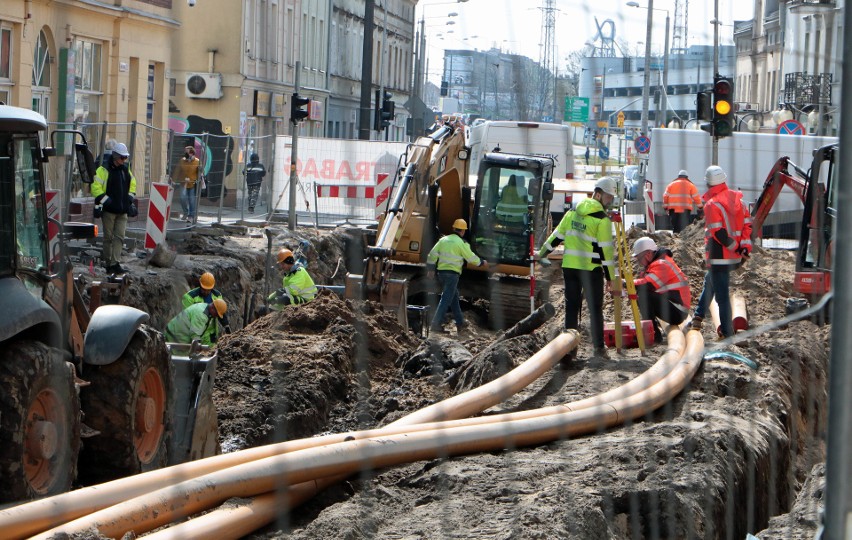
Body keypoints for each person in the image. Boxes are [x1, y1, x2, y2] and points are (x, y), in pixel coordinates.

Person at [538, 176, 617, 359]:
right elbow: (605, 254)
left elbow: (555, 237)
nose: (609, 201)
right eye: (608, 197)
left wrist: (541, 254)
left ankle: (568, 350)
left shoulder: (572, 213)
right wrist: (610, 278)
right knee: (595, 308)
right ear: (598, 194)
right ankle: (598, 348)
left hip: (570, 268)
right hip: (590, 270)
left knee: (572, 307)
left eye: (611, 198)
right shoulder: (602, 220)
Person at [690, 166, 753, 338]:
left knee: (722, 297)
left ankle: (727, 332)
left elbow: (718, 233)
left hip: (719, 257)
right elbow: (748, 226)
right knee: (709, 280)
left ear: (708, 184)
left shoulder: (712, 205)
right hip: (734, 258)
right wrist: (744, 248)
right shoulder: (738, 201)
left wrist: (735, 247)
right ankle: (698, 316)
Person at [427, 218, 487, 334]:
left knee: (454, 298)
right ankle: (436, 324)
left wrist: (430, 270)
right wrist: (482, 262)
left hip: (441, 273)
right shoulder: (462, 243)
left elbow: (431, 255)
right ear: (463, 231)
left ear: (454, 228)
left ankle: (460, 323)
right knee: (446, 299)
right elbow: (471, 258)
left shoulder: (443, 240)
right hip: (452, 275)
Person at [630, 237, 690, 344]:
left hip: (678, 311)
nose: (638, 262)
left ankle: (654, 335)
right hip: (675, 307)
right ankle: (653, 332)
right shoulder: (657, 263)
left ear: (648, 254)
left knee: (643, 294)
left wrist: (626, 283)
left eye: (639, 258)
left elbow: (648, 284)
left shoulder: (662, 264)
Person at [92, 142, 137, 274]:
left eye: (125, 158)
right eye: (122, 158)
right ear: (115, 156)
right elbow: (95, 188)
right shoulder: (103, 170)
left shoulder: (125, 168)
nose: (124, 160)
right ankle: (108, 263)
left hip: (122, 211)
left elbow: (133, 183)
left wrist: (130, 197)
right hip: (109, 212)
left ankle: (115, 263)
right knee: (108, 238)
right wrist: (107, 202)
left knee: (120, 237)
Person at [182, 271, 231, 341]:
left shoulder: (217, 295)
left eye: (208, 290)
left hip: (211, 336)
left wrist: (226, 325)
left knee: (211, 351)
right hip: (196, 334)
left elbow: (220, 311)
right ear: (200, 284)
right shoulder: (189, 297)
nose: (206, 292)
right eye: (204, 289)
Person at [171, 145, 201, 223]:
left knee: (191, 200)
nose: (187, 154)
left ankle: (191, 216)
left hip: (192, 183)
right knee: (182, 198)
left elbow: (200, 172)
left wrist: (199, 178)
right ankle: (185, 212)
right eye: (186, 152)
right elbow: (177, 170)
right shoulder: (182, 161)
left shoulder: (197, 161)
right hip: (183, 183)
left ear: (192, 153)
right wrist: (173, 180)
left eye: (188, 152)